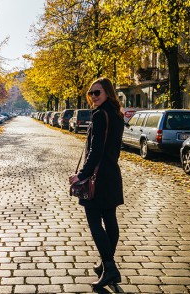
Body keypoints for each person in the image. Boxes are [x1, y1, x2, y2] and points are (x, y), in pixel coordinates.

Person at [69, 77, 124, 290]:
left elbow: (96, 150)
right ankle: (105, 264)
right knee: (110, 218)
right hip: (112, 174)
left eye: (97, 93)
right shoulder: (117, 115)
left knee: (94, 221)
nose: (93, 97)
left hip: (97, 179)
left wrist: (82, 174)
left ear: (107, 93)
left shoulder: (101, 115)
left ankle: (109, 268)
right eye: (91, 93)